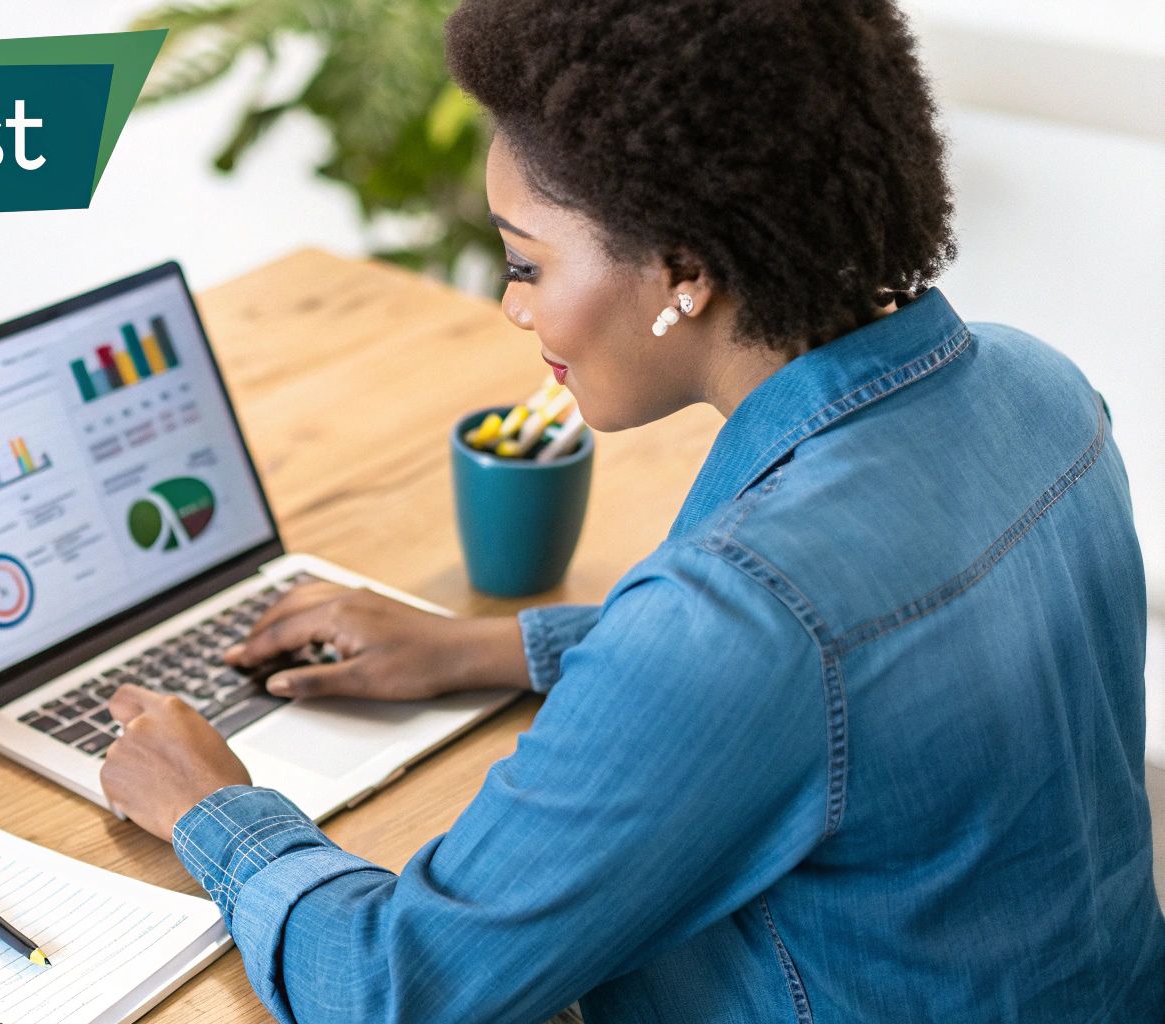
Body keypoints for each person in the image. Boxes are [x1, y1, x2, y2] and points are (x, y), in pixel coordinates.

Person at [99, 0, 1165, 1019]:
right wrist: (493, 648)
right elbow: (856, 669)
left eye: (524, 261)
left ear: (684, 270)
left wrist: (207, 807)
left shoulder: (739, 615)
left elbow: (394, 987)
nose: (510, 305)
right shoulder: (1044, 393)